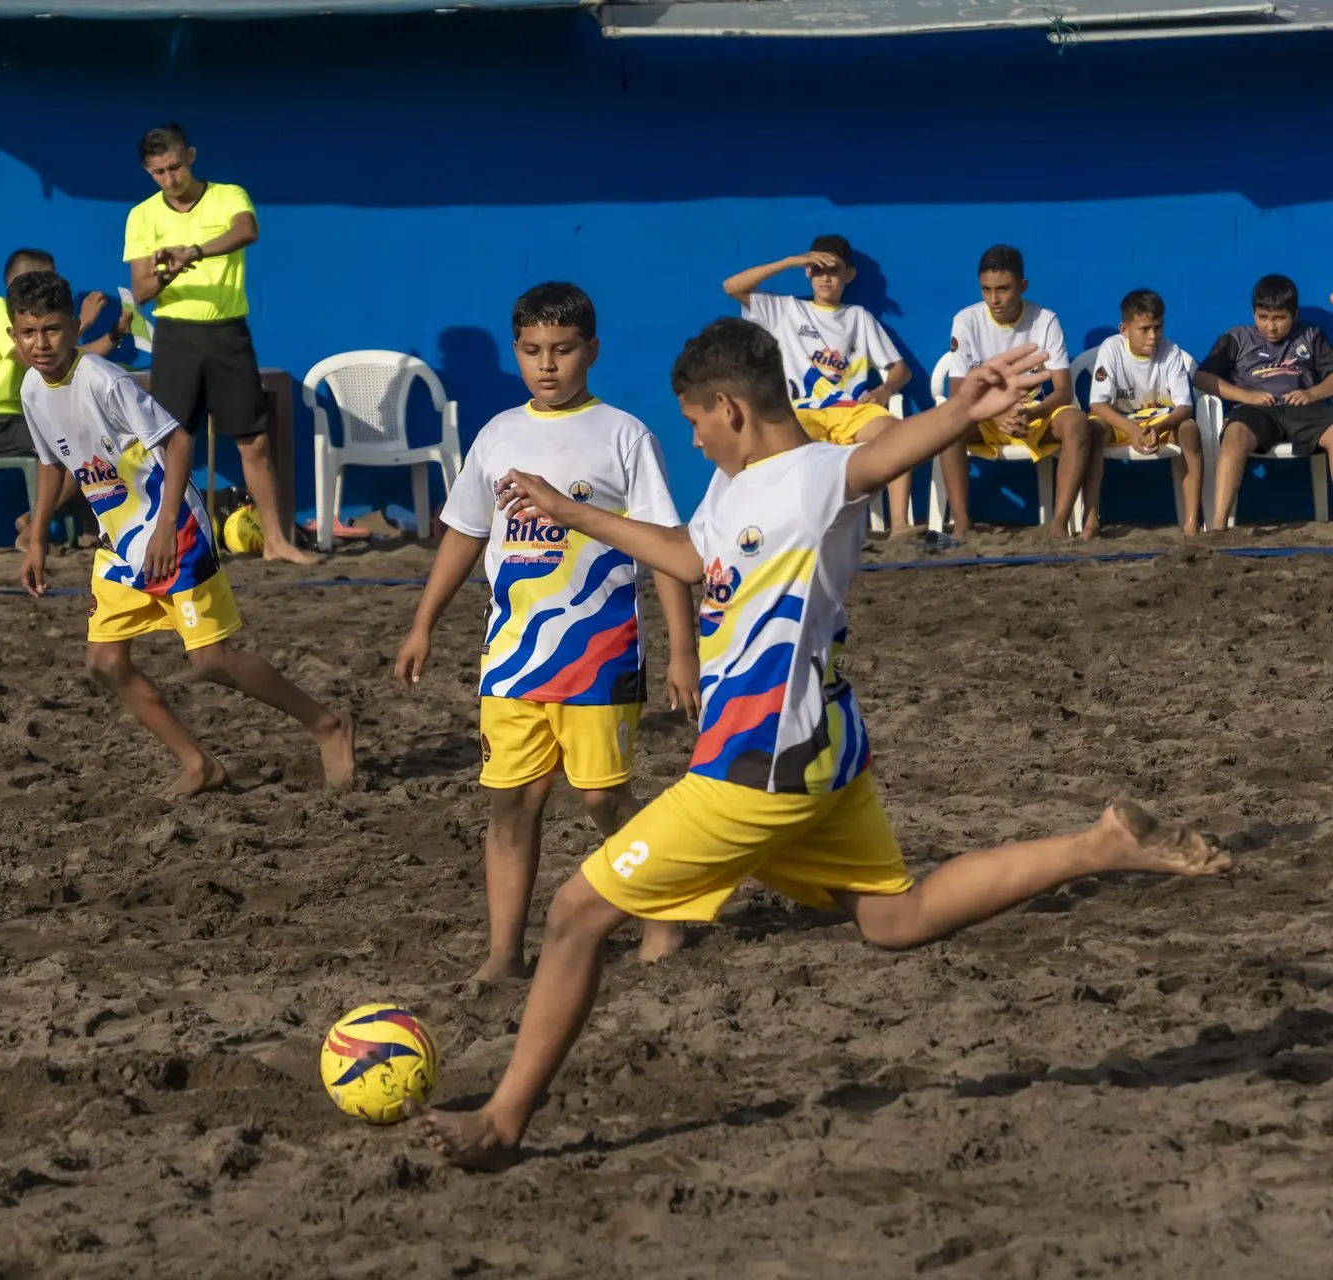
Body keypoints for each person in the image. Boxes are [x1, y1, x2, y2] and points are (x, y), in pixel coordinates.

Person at [408, 318, 1231, 1171]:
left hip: (758, 761)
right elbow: (688, 556)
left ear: (730, 408)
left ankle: (503, 1119)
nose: (693, 437)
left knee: (577, 914)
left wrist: (960, 412)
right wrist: (572, 510)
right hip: (823, 748)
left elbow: (882, 456)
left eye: (696, 421)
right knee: (896, 919)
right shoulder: (733, 483)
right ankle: (1099, 845)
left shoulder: (813, 478)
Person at [394, 283, 699, 982]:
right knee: (512, 803)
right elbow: (464, 531)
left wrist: (683, 651)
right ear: (517, 352)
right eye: (532, 351)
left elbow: (667, 549)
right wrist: (422, 624)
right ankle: (504, 955)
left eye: (562, 349)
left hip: (600, 651)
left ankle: (662, 909)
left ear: (592, 350)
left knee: (602, 798)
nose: (548, 365)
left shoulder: (624, 435)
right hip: (511, 656)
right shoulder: (497, 435)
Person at [10, 271, 355, 794]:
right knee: (104, 663)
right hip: (118, 543)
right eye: (29, 332)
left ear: (75, 328)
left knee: (211, 661)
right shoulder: (32, 389)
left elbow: (177, 443)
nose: (41, 343)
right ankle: (199, 765)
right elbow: (51, 464)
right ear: (14, 336)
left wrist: (167, 527)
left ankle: (327, 725)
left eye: (52, 329)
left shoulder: (103, 379)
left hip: (173, 528)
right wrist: (37, 538)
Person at [123, 123, 316, 564]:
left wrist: (192, 252)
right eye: (159, 172)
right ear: (148, 172)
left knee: (254, 442)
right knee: (170, 444)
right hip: (175, 335)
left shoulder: (228, 195)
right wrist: (167, 272)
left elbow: (247, 230)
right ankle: (165, 536)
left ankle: (275, 541)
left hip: (227, 332)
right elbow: (141, 290)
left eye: (175, 167)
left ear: (190, 156)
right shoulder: (142, 216)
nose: (170, 178)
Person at [723, 236, 916, 537]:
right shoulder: (786, 309)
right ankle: (793, 531)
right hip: (799, 411)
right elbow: (732, 287)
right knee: (782, 450)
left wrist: (885, 390)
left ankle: (899, 525)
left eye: (833, 270)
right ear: (808, 272)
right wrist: (791, 261)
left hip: (850, 410)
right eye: (817, 269)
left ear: (849, 275)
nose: (826, 277)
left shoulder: (858, 317)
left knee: (900, 436)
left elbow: (900, 369)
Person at [0, 247, 130, 548]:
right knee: (76, 440)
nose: (55, 285)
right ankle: (36, 526)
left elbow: (67, 359)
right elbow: (47, 359)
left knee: (91, 431)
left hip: (18, 419)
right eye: (48, 278)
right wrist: (83, 322)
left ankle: (66, 525)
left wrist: (114, 334)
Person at [938, 245, 1088, 538]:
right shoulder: (965, 320)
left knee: (1077, 422)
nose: (994, 299)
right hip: (984, 416)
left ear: (1023, 286)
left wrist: (1031, 413)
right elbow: (958, 394)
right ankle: (961, 523)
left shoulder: (1045, 320)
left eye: (1003, 289)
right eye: (986, 289)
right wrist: (995, 415)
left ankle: (1059, 524)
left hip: (1031, 414)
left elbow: (1063, 391)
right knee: (948, 425)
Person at [1194, 274, 1333, 529]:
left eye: (1279, 318)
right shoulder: (1237, 337)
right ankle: (1218, 526)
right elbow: (1202, 378)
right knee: (1234, 434)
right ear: (1253, 313)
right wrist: (1245, 395)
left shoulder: (1311, 335)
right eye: (1263, 317)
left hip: (1301, 408)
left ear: (1294, 315)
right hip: (1255, 411)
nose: (1271, 327)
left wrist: (1312, 394)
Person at [1076, 290, 1201, 538]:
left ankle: (1192, 523)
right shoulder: (1111, 349)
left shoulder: (1171, 351)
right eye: (1145, 329)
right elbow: (1098, 405)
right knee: (1094, 431)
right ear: (1124, 329)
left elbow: (1185, 407)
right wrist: (1132, 429)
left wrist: (1160, 427)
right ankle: (1090, 521)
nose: (1153, 336)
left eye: (1158, 327)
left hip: (1160, 423)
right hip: (1121, 423)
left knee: (1190, 430)